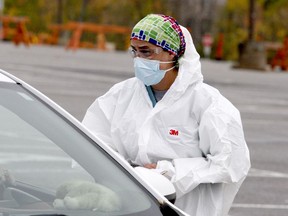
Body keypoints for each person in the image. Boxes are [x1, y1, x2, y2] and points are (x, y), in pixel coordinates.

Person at [82, 14, 250, 216]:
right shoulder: (120, 95)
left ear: (171, 53)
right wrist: (124, 172)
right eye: (134, 51)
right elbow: (92, 141)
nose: (139, 59)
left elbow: (231, 163)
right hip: (131, 207)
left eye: (147, 52)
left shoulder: (208, 103)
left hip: (187, 209)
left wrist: (169, 172)